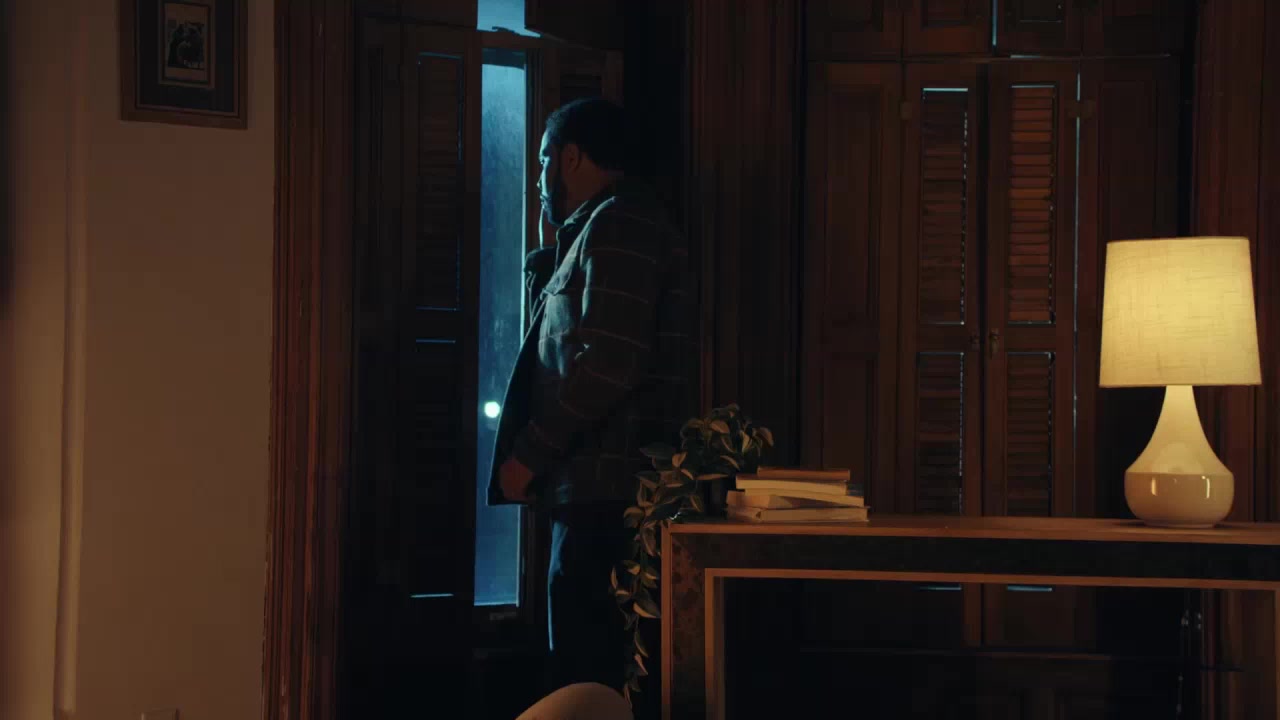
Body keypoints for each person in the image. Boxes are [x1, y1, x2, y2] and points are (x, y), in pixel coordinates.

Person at [486, 96, 695, 694]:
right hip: (592, 491)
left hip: (607, 496)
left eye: (544, 160)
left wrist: (528, 454)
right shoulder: (598, 229)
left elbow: (607, 365)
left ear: (571, 157)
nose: (538, 178)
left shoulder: (621, 224)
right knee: (579, 668)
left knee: (586, 677)